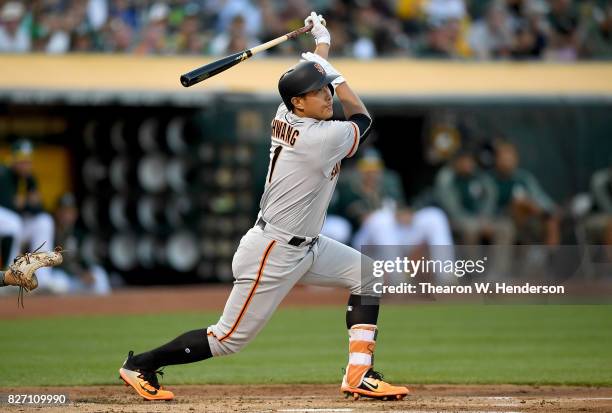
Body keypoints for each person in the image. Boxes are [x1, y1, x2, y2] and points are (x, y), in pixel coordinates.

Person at [119, 12, 409, 402]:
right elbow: (362, 117)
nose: (327, 95)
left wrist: (322, 46)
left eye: (326, 89)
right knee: (227, 339)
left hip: (307, 244)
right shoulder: (321, 138)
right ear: (298, 104)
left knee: (368, 276)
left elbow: (311, 77)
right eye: (320, 92)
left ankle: (359, 374)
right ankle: (141, 365)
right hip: (273, 251)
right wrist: (335, 73)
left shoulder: (285, 111)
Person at [0, 140, 56, 280]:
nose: (26, 164)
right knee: (13, 222)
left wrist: (23, 203)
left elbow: (40, 208)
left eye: (28, 160)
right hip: (6, 221)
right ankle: (8, 275)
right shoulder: (4, 174)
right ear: (13, 159)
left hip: (16, 222)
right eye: (21, 160)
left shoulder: (29, 178)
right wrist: (27, 203)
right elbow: (8, 205)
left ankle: (43, 278)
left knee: (44, 221)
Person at [39, 193, 111, 295]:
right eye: (63, 210)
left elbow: (83, 259)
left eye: (70, 211)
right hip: (62, 276)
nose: (67, 215)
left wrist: (86, 272)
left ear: (75, 213)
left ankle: (105, 308)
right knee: (59, 283)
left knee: (99, 274)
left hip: (77, 279)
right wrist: (80, 274)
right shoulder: (50, 233)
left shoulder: (78, 234)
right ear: (57, 212)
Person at [491, 141, 560, 246]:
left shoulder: (523, 178)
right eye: (503, 157)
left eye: (509, 157)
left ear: (516, 159)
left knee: (551, 221)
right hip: (502, 219)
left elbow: (539, 196)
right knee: (520, 203)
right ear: (496, 159)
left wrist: (549, 210)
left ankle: (551, 255)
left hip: (529, 219)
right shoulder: (490, 180)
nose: (506, 161)